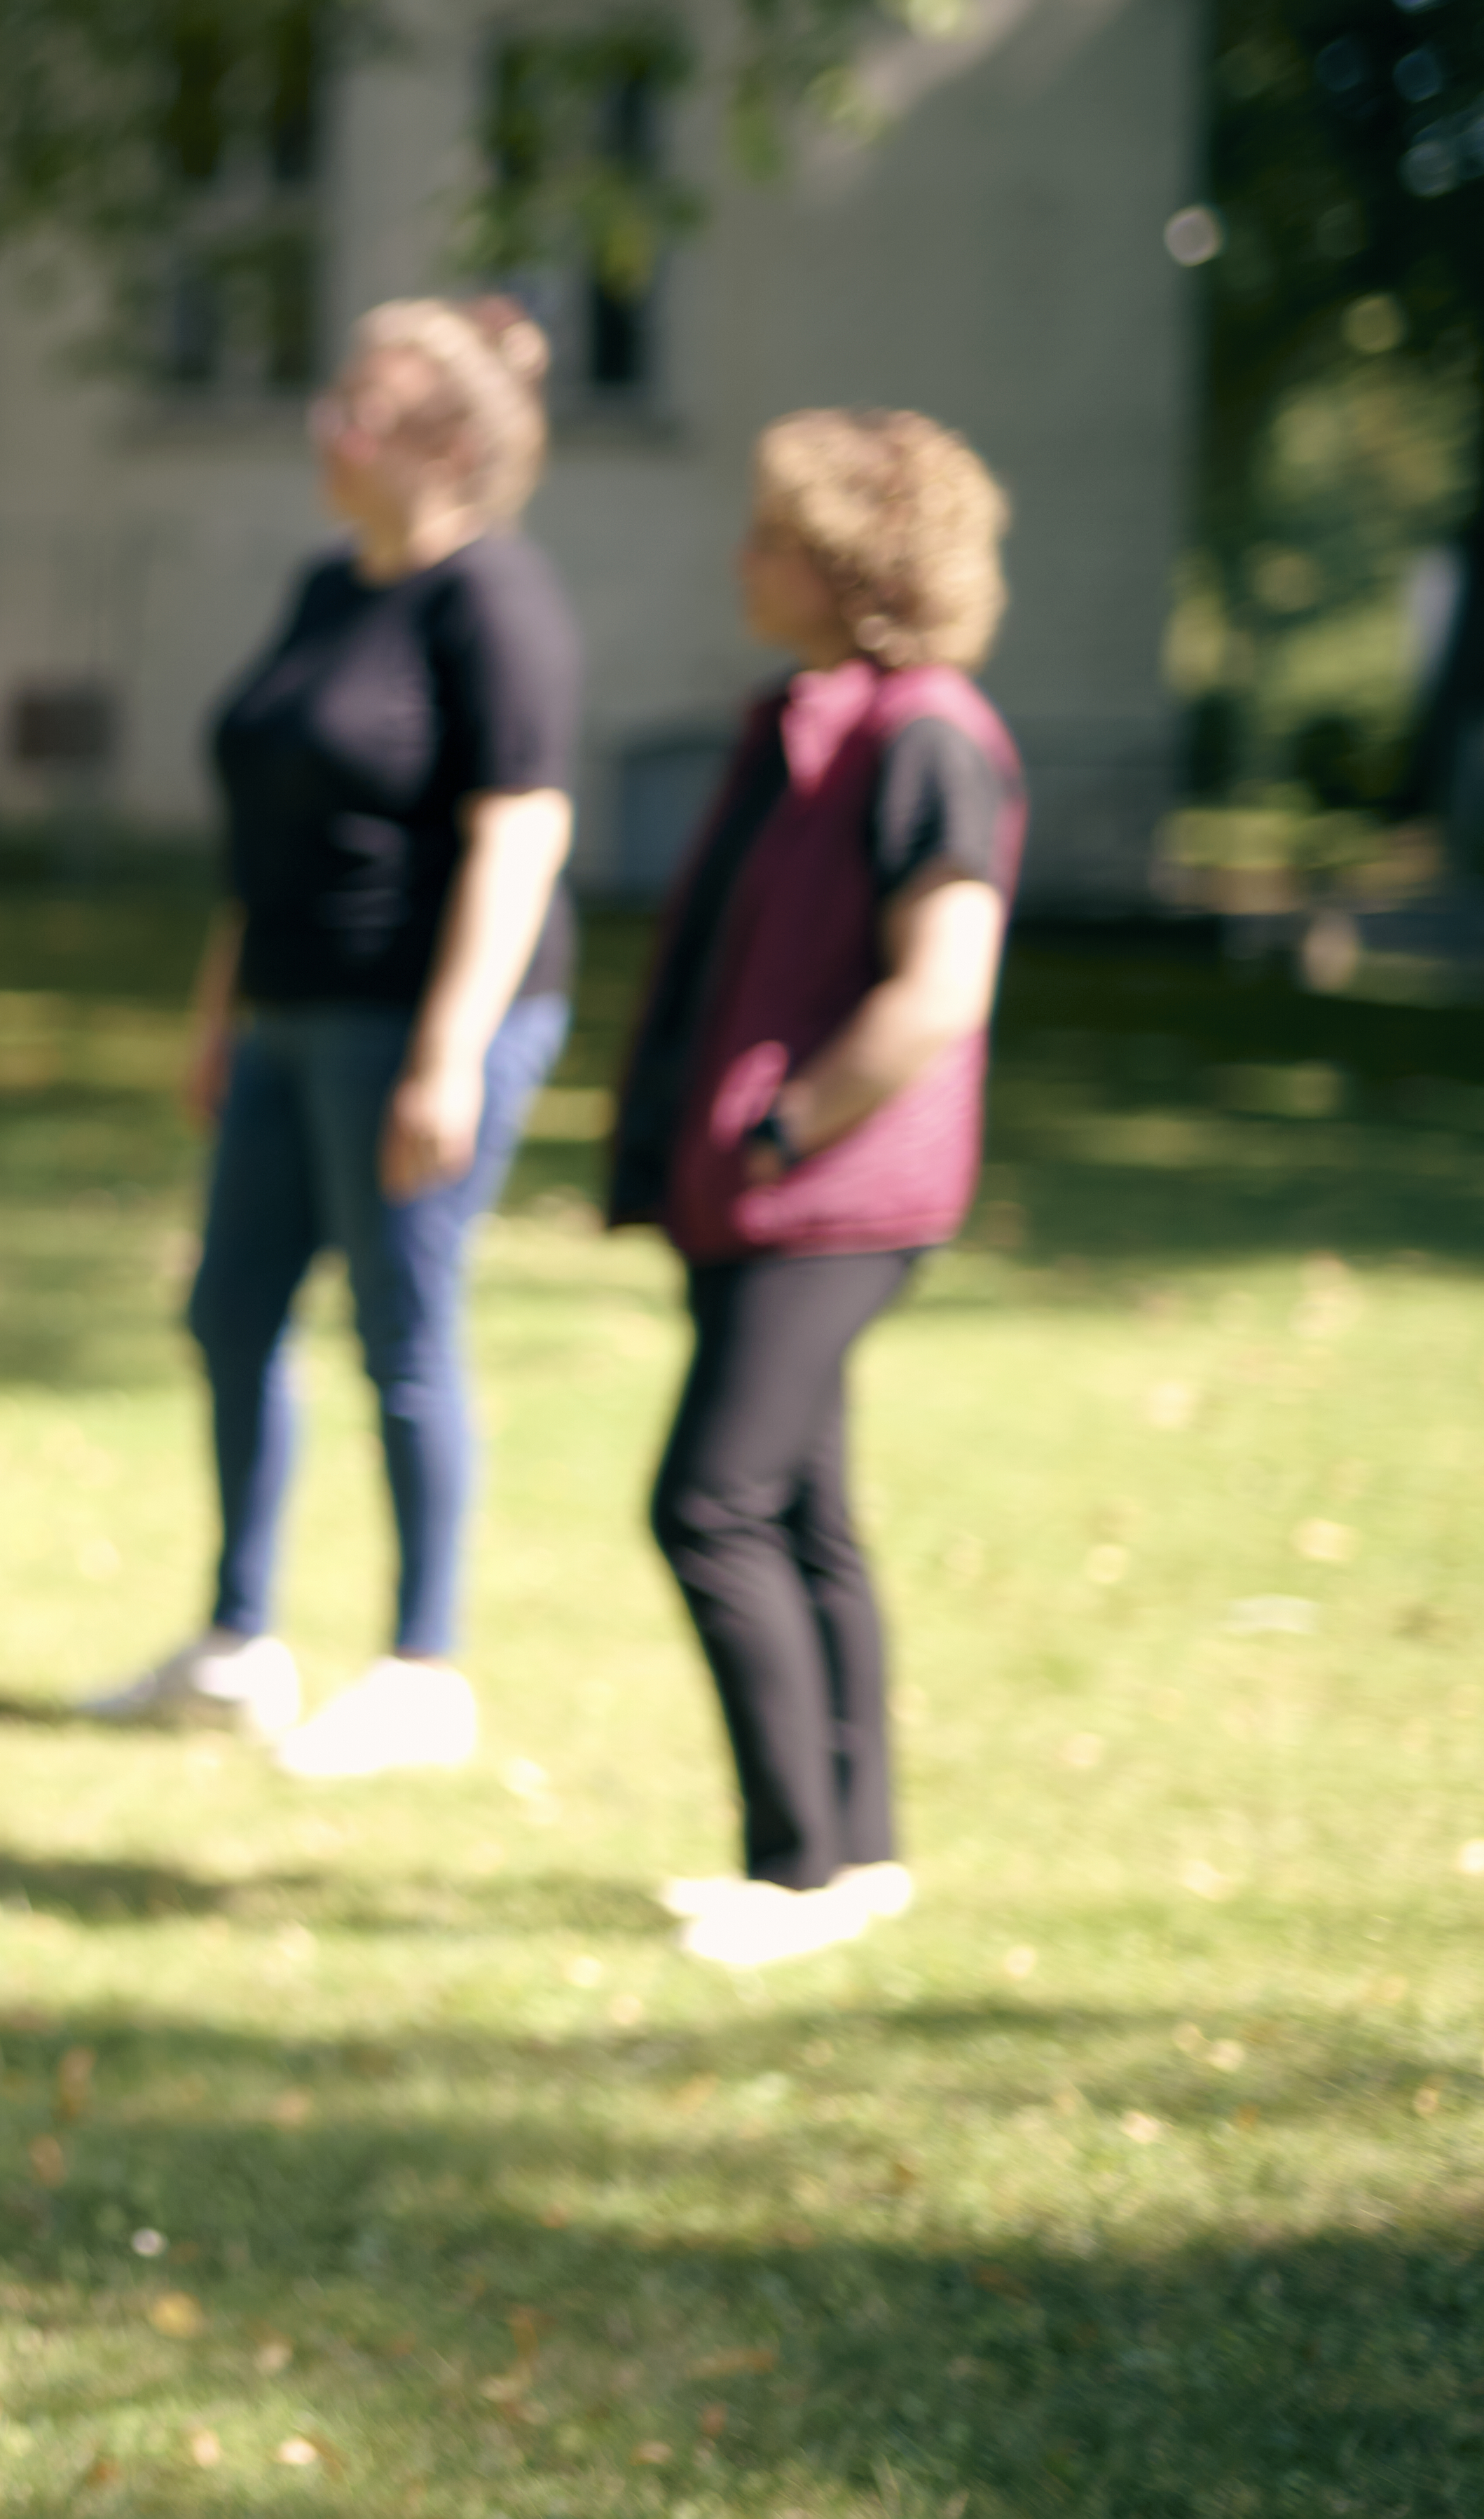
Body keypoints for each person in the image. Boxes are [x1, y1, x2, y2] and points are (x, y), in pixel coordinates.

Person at [84, 298, 579, 1778]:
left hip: (417, 1022)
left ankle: (426, 1669)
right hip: (291, 1015)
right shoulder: (327, 589)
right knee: (230, 1312)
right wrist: (220, 1011)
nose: (328, 429)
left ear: (444, 441)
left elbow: (521, 836)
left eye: (358, 407)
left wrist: (450, 1052)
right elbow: (272, 834)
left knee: (403, 1335)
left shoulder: (494, 601)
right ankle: (239, 1643)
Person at [607, 410, 1020, 1970]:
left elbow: (942, 986)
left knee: (708, 1502)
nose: (745, 559)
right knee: (804, 1510)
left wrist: (787, 1130)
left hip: (836, 1197)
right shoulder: (813, 720)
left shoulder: (929, 736)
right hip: (775, 1192)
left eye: (776, 537)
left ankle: (794, 1873)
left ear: (855, 570)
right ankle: (860, 1858)